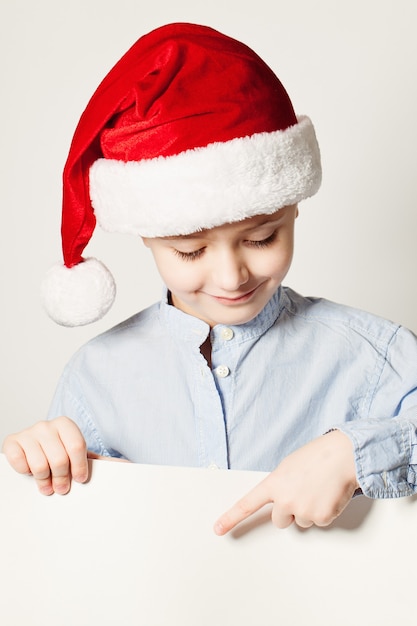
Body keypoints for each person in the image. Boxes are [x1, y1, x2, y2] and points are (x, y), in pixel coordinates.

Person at [3, 23, 417, 534]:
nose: (230, 275)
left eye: (262, 238)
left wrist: (356, 452)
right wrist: (46, 465)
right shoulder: (95, 379)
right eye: (190, 250)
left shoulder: (375, 356)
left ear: (292, 209)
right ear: (146, 238)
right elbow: (66, 547)